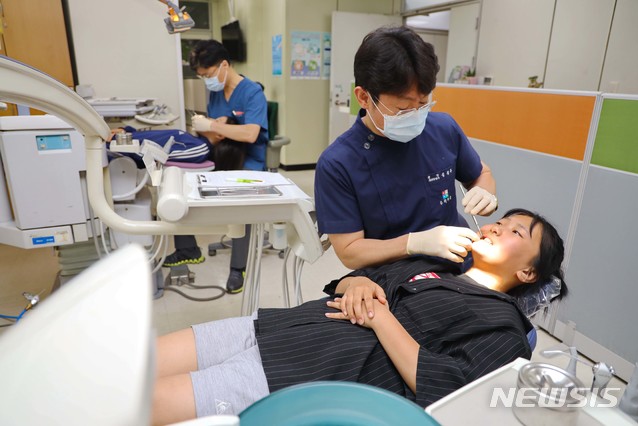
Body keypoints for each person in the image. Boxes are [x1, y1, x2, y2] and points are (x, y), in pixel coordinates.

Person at [151, 208, 567, 425]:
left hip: (296, 371)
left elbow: (445, 386)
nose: (497, 227)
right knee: (136, 362)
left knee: (137, 405)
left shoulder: (505, 328)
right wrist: (360, 287)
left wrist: (381, 318)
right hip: (276, 328)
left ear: (528, 272)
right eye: (502, 220)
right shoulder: (437, 263)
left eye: (516, 232)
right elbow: (352, 279)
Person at [314, 26, 498, 275]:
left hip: (460, 265)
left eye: (423, 104)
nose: (415, 115)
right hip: (394, 277)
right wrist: (415, 243)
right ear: (364, 97)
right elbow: (350, 251)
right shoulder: (338, 163)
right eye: (402, 108)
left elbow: (480, 173)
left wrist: (485, 193)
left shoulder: (443, 129)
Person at [163, 40, 268, 294]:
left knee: (239, 209)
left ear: (224, 65)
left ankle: (237, 269)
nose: (207, 81)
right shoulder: (216, 92)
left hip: (248, 163)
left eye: (208, 75)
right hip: (220, 156)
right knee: (181, 181)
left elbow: (251, 134)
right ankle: (188, 249)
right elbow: (218, 128)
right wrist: (213, 124)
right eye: (202, 77)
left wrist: (213, 126)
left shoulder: (252, 92)